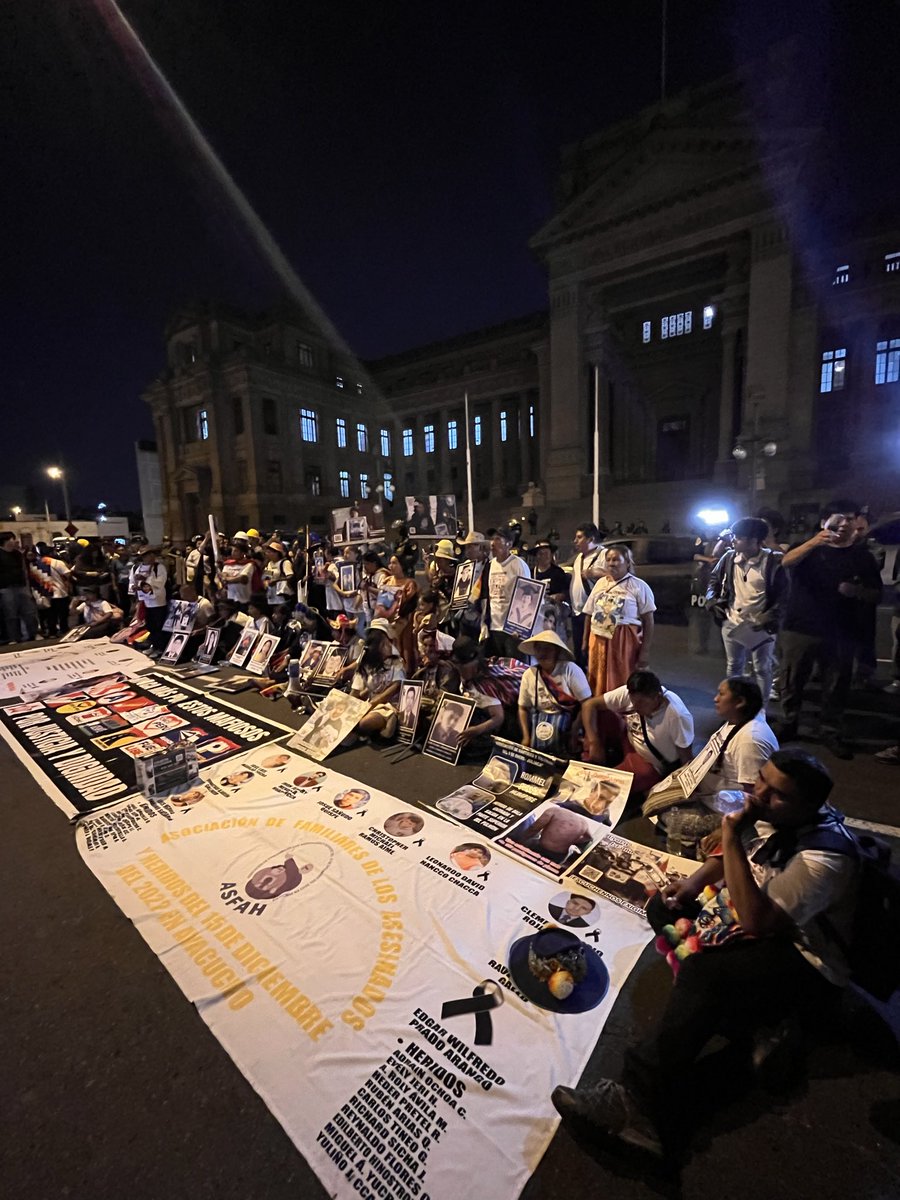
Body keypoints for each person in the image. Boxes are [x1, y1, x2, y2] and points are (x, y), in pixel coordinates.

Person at [552, 750, 858, 1168]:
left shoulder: (825, 856)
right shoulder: (784, 814)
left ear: (809, 805)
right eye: (761, 781)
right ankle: (753, 1021)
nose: (759, 795)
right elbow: (748, 854)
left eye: (776, 792)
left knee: (707, 972)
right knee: (664, 906)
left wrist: (730, 834)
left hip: (806, 962)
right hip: (769, 928)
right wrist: (693, 882)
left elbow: (755, 920)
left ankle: (636, 1106)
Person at [776, 500, 882, 758]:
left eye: (851, 518)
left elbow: (876, 594)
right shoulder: (806, 548)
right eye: (839, 518)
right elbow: (786, 563)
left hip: (841, 630)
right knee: (792, 679)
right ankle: (789, 722)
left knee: (836, 683)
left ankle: (829, 729)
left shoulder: (862, 556)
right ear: (825, 521)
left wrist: (855, 591)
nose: (845, 524)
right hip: (799, 626)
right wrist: (815, 541)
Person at [706, 516, 787, 703]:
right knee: (734, 666)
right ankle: (733, 705)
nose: (733, 540)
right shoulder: (729, 558)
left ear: (754, 541)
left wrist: (768, 617)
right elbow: (713, 581)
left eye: (738, 537)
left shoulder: (773, 561)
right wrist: (712, 602)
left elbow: (784, 596)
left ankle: (760, 710)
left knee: (762, 668)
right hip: (732, 620)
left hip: (761, 625)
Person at [581, 669, 694, 796]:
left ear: (657, 697)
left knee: (603, 787)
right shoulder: (631, 693)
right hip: (629, 740)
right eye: (633, 700)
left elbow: (686, 759)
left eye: (641, 702)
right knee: (601, 714)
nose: (635, 706)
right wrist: (594, 743)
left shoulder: (677, 716)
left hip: (649, 762)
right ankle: (592, 759)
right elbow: (589, 705)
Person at [582, 546, 655, 694]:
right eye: (608, 560)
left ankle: (620, 713)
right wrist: (585, 641)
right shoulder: (600, 584)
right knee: (598, 679)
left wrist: (645, 651)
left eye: (616, 560)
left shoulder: (638, 586)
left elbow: (648, 620)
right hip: (598, 640)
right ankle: (601, 711)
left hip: (624, 642)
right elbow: (589, 613)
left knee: (621, 679)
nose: (611, 563)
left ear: (627, 562)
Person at [517, 630, 591, 755]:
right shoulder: (529, 674)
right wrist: (526, 737)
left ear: (556, 651)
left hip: (569, 725)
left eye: (547, 649)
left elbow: (587, 704)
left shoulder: (570, 669)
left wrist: (574, 730)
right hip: (540, 726)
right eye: (539, 649)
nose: (542, 653)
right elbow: (522, 708)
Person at [449, 636, 525, 749]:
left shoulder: (486, 685)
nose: (460, 669)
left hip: (509, 717)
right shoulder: (466, 677)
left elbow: (498, 717)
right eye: (458, 665)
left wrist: (476, 730)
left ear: (474, 663)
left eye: (462, 665)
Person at [349, 618, 406, 738]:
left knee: (364, 723)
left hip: (388, 704)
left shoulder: (395, 662)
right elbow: (355, 691)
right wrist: (351, 707)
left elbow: (395, 687)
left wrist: (371, 705)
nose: (387, 646)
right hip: (368, 703)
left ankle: (390, 719)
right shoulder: (365, 663)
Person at [487, 527, 531, 658]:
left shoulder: (518, 565)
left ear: (509, 544)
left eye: (497, 539)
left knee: (515, 668)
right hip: (494, 626)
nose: (492, 543)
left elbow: (528, 596)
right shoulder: (490, 565)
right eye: (492, 539)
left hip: (512, 629)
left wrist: (521, 627)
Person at [570, 523, 607, 669]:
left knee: (593, 651)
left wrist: (595, 573)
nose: (575, 541)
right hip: (578, 612)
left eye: (579, 537)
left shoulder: (604, 555)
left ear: (590, 539)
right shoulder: (579, 557)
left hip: (595, 614)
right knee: (579, 650)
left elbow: (616, 576)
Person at [0, 532, 39, 644]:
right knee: (11, 614)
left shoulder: (17, 554)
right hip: (6, 588)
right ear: (6, 541)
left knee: (29, 612)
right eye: (13, 539)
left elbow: (24, 569)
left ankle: (33, 633)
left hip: (21, 586)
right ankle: (14, 637)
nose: (15, 541)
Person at [130, 546, 169, 652]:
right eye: (145, 556)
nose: (149, 557)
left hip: (158, 601)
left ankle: (161, 648)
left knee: (159, 626)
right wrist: (135, 588)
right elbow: (132, 582)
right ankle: (154, 645)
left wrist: (146, 579)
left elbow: (161, 582)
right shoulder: (137, 568)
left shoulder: (159, 567)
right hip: (145, 601)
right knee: (150, 625)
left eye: (150, 554)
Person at [262, 540, 295, 613]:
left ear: (276, 553)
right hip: (272, 596)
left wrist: (277, 580)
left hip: (282, 596)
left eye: (269, 552)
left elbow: (290, 576)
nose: (267, 554)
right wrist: (266, 582)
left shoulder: (285, 563)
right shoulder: (269, 564)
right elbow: (268, 576)